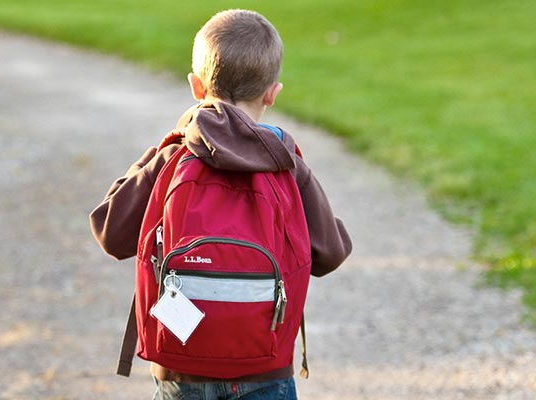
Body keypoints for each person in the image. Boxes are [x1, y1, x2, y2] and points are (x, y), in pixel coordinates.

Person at [89, 9, 352, 400]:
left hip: (181, 365)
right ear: (272, 93)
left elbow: (111, 232)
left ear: (196, 87)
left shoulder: (174, 157)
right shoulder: (286, 163)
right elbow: (331, 253)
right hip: (265, 365)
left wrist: (160, 151)